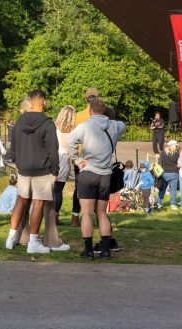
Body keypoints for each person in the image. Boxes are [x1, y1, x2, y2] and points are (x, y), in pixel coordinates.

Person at [66, 97, 126, 259]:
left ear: (90, 110)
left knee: (86, 213)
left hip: (88, 171)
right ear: (105, 111)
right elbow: (122, 125)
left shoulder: (85, 126)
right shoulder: (115, 126)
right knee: (101, 213)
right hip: (105, 175)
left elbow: (70, 140)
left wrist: (77, 160)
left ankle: (88, 250)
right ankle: (106, 249)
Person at [5, 89, 59, 255]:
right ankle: (33, 242)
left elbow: (13, 145)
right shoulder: (48, 123)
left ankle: (11, 237)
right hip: (41, 169)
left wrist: (16, 159)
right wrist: (55, 170)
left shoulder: (20, 121)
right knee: (38, 203)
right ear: (44, 102)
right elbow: (52, 150)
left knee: (20, 201)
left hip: (23, 168)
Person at [53, 105, 76, 223]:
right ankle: (55, 216)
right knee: (58, 191)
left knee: (50, 190)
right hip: (65, 160)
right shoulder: (73, 132)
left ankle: (47, 214)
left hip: (54, 158)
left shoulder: (54, 128)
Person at [157, 140, 181, 209]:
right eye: (176, 145)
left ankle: (159, 203)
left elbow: (159, 164)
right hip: (174, 174)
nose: (177, 146)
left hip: (164, 174)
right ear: (173, 145)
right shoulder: (176, 153)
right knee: (173, 190)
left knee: (162, 189)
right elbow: (178, 163)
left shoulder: (163, 153)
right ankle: (173, 204)